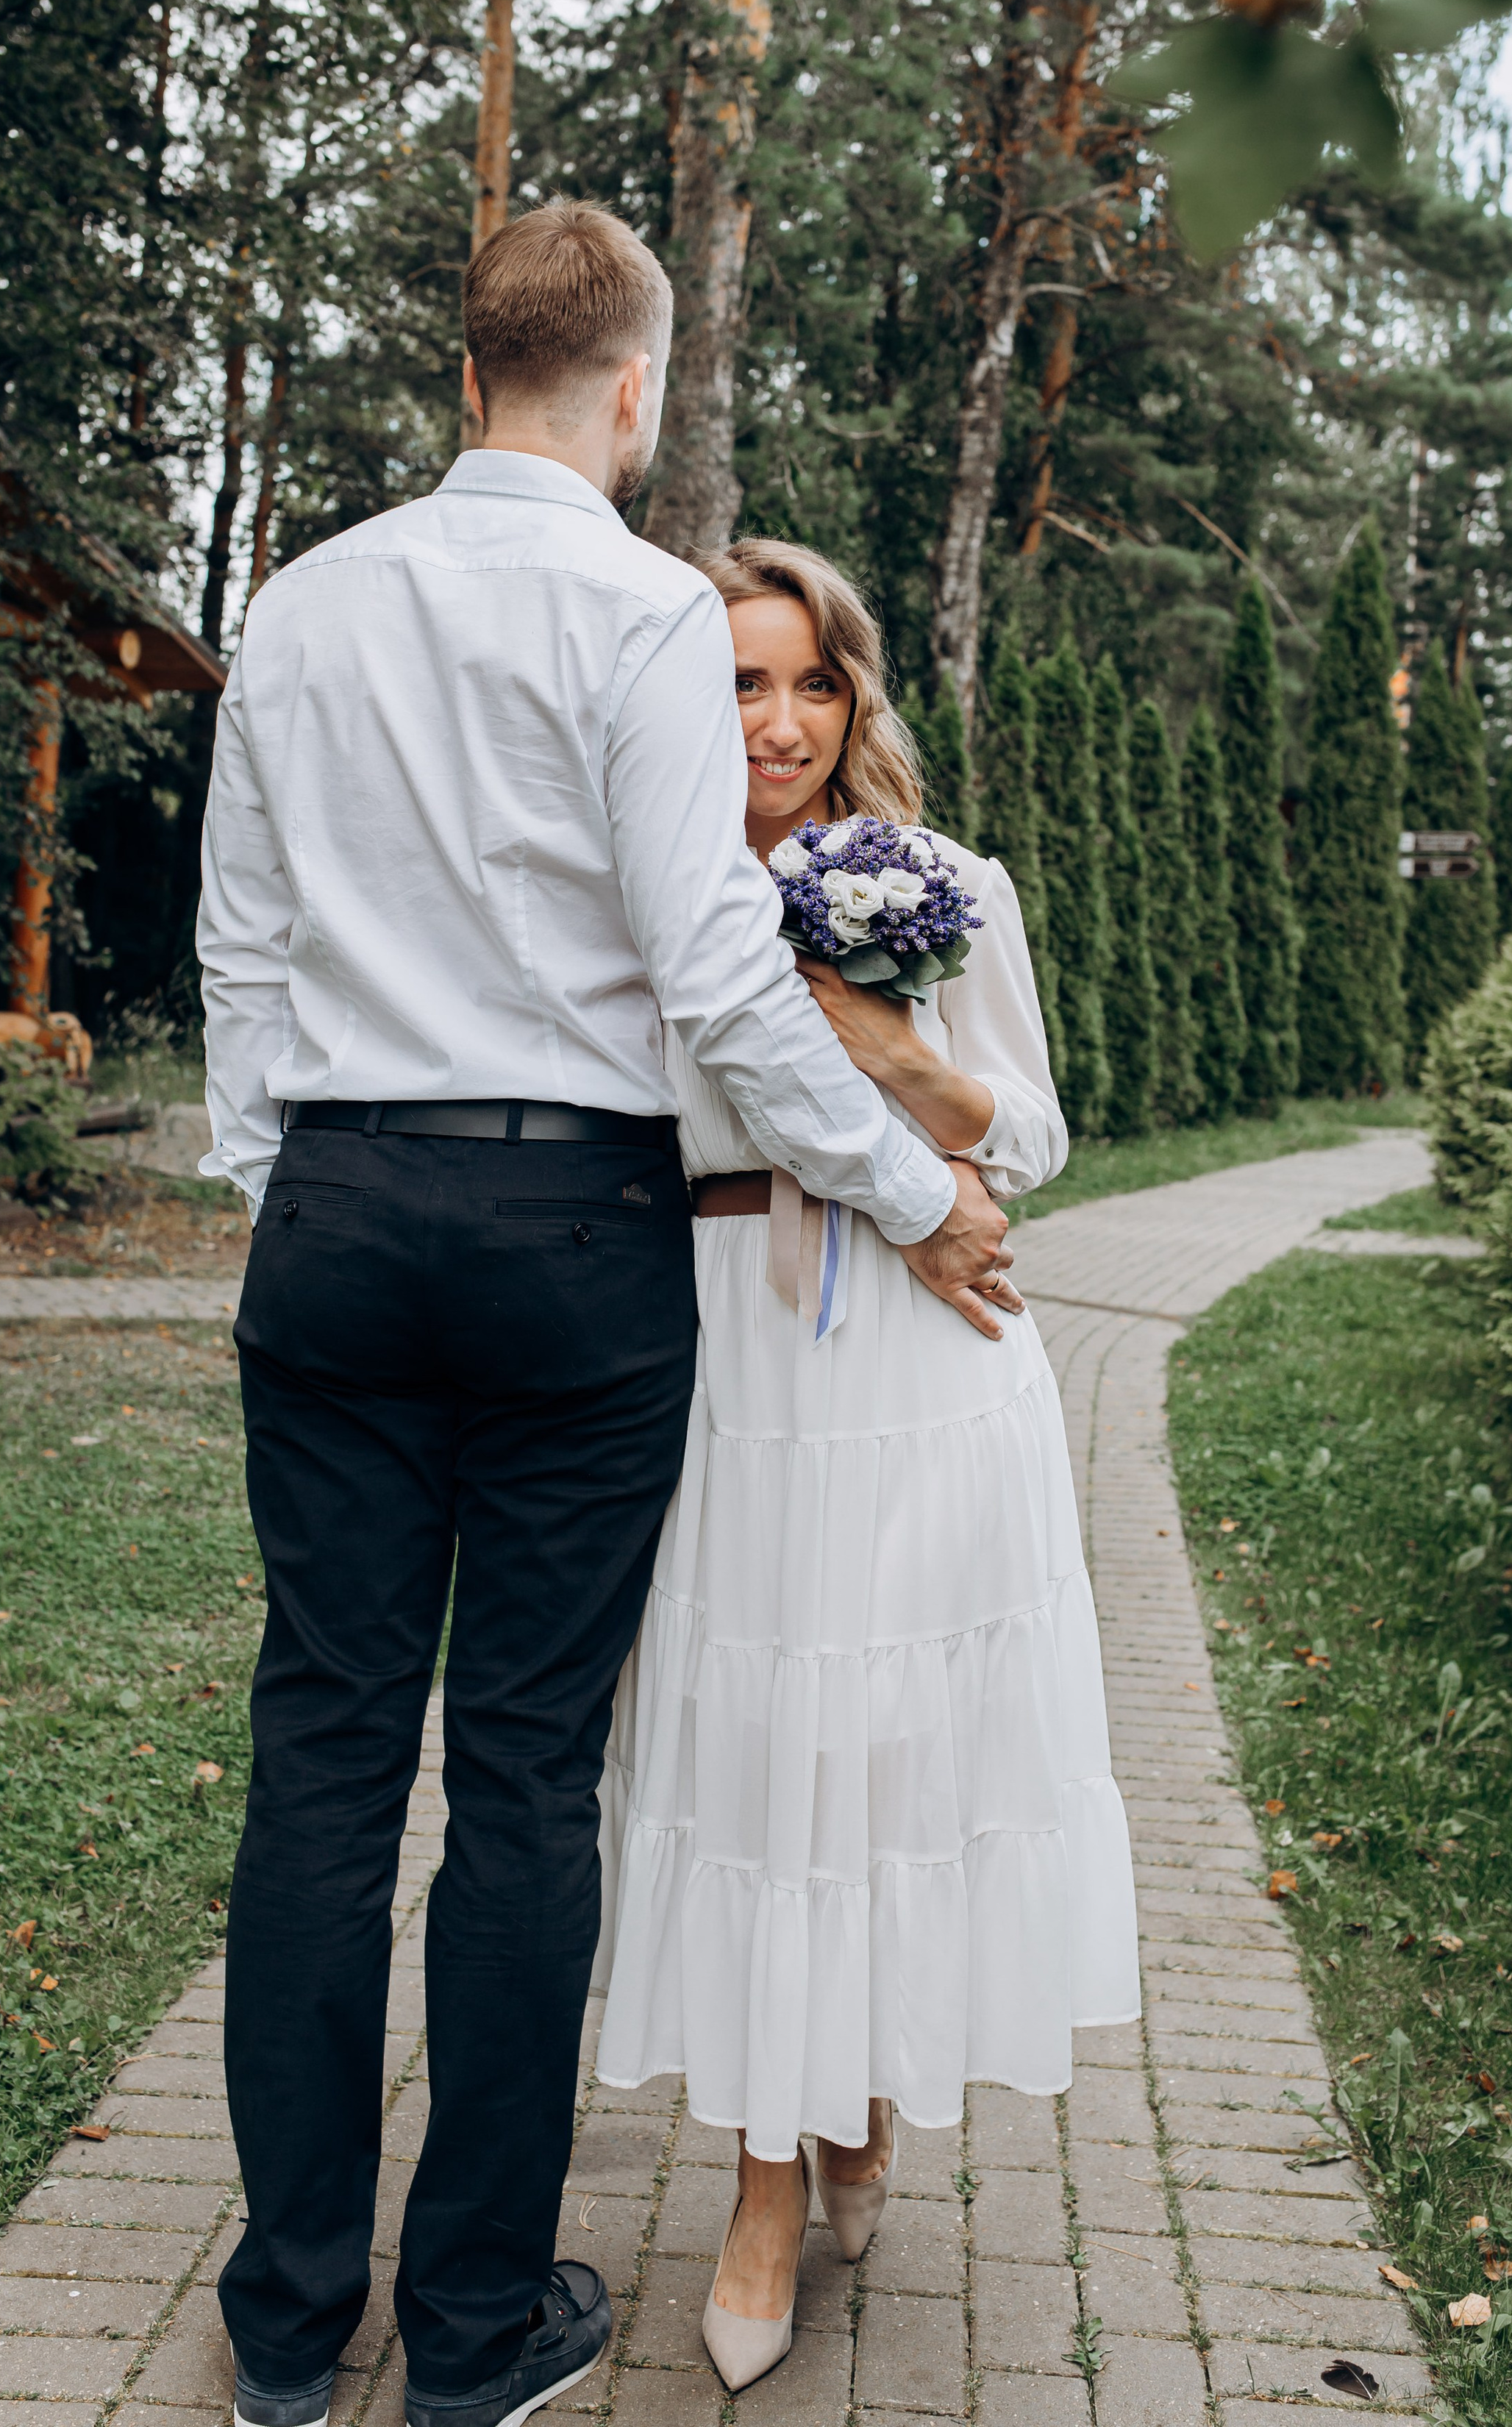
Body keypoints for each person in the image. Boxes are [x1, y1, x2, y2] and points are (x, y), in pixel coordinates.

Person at [195, 202, 1017, 2427]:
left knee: (322, 1753)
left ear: (468, 374)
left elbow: (241, 953)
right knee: (525, 1774)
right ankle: (472, 2335)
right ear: (635, 392)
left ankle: (285, 2334)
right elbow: (719, 976)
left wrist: (294, 1188)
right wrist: (908, 1193)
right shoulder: (646, 610)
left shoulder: (302, 602)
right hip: (572, 1233)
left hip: (339, 1211)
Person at [593, 538, 1141, 2392]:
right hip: (729, 1347)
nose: (777, 722)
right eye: (740, 682)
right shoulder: (648, 885)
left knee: (891, 1745)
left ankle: (862, 2086)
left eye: (811, 683)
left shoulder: (947, 883)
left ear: (855, 699)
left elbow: (1034, 1136)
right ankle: (764, 2178)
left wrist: (891, 1048)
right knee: (764, 1754)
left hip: (925, 1357)